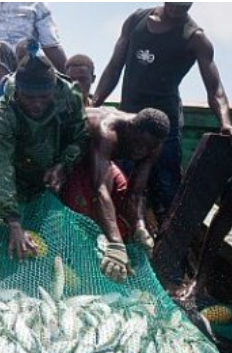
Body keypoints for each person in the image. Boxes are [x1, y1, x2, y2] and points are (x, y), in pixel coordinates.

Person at [93, 2, 232, 224]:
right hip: (129, 125)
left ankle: (170, 253)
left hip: (164, 132)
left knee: (168, 198)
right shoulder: (136, 20)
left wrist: (225, 122)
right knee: (119, 189)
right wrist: (95, 102)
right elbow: (114, 67)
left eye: (185, 5)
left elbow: (215, 89)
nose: (179, 7)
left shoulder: (195, 38)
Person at [0, 43, 88, 260]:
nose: (37, 104)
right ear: (18, 90)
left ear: (53, 90)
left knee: (53, 251)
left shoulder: (70, 96)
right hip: (14, 181)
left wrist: (63, 165)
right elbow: (0, 166)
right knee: (2, 250)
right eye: (29, 98)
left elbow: (81, 137)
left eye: (44, 97)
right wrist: (13, 222)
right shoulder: (1, 114)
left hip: (53, 181)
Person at [62, 107, 170, 282]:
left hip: (104, 163)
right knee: (84, 208)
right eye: (138, 144)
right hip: (76, 159)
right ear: (130, 129)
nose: (141, 151)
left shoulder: (154, 145)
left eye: (147, 148)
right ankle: (77, 260)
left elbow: (135, 194)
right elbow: (101, 189)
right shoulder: (107, 130)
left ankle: (118, 257)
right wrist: (115, 243)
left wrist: (139, 227)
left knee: (121, 203)